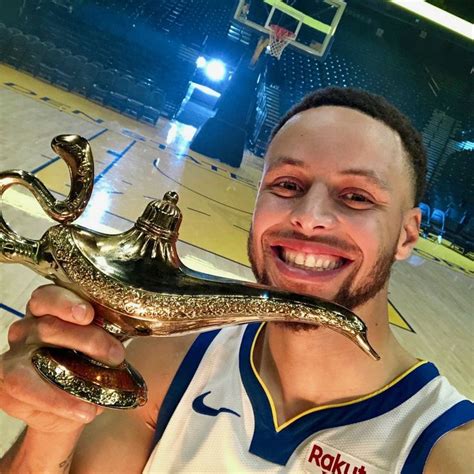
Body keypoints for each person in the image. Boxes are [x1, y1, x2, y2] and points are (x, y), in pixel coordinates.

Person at [1, 87, 472, 473]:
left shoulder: (444, 448)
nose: (309, 218)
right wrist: (52, 422)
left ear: (407, 235)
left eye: (356, 196)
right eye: (287, 185)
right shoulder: (166, 361)